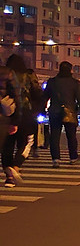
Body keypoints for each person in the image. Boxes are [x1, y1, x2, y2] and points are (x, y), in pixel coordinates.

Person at [2, 55, 44, 187]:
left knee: (7, 145)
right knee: (27, 143)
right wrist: (37, 110)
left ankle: (9, 178)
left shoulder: (4, 74)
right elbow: (38, 94)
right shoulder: (29, 75)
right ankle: (16, 166)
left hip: (7, 113)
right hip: (26, 113)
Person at [43, 61, 80, 168]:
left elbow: (44, 97)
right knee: (71, 136)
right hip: (70, 112)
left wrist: (41, 111)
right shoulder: (74, 83)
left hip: (54, 112)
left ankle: (56, 159)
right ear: (70, 70)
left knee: (54, 136)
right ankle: (73, 157)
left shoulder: (52, 82)